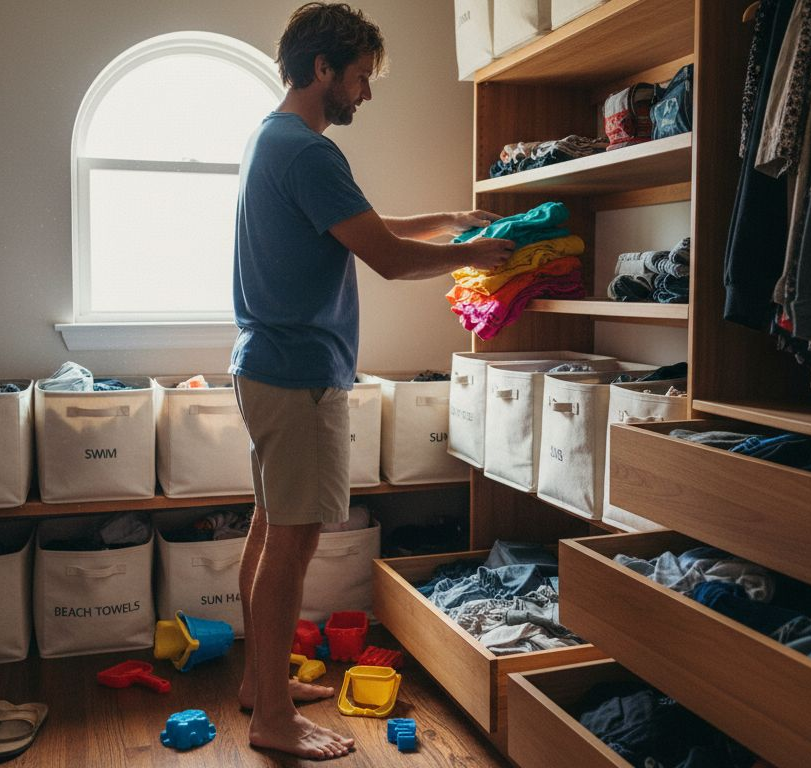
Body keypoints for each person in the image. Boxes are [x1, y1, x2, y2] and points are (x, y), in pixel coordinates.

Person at [228, 2, 514, 760]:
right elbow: (384, 257)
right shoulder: (311, 153)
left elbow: (366, 227)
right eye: (360, 78)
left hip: (265, 368)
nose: (366, 93)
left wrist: (450, 220)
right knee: (293, 542)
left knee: (268, 529)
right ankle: (272, 721)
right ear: (323, 69)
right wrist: (474, 256)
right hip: (300, 379)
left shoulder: (274, 139)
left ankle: (263, 686)